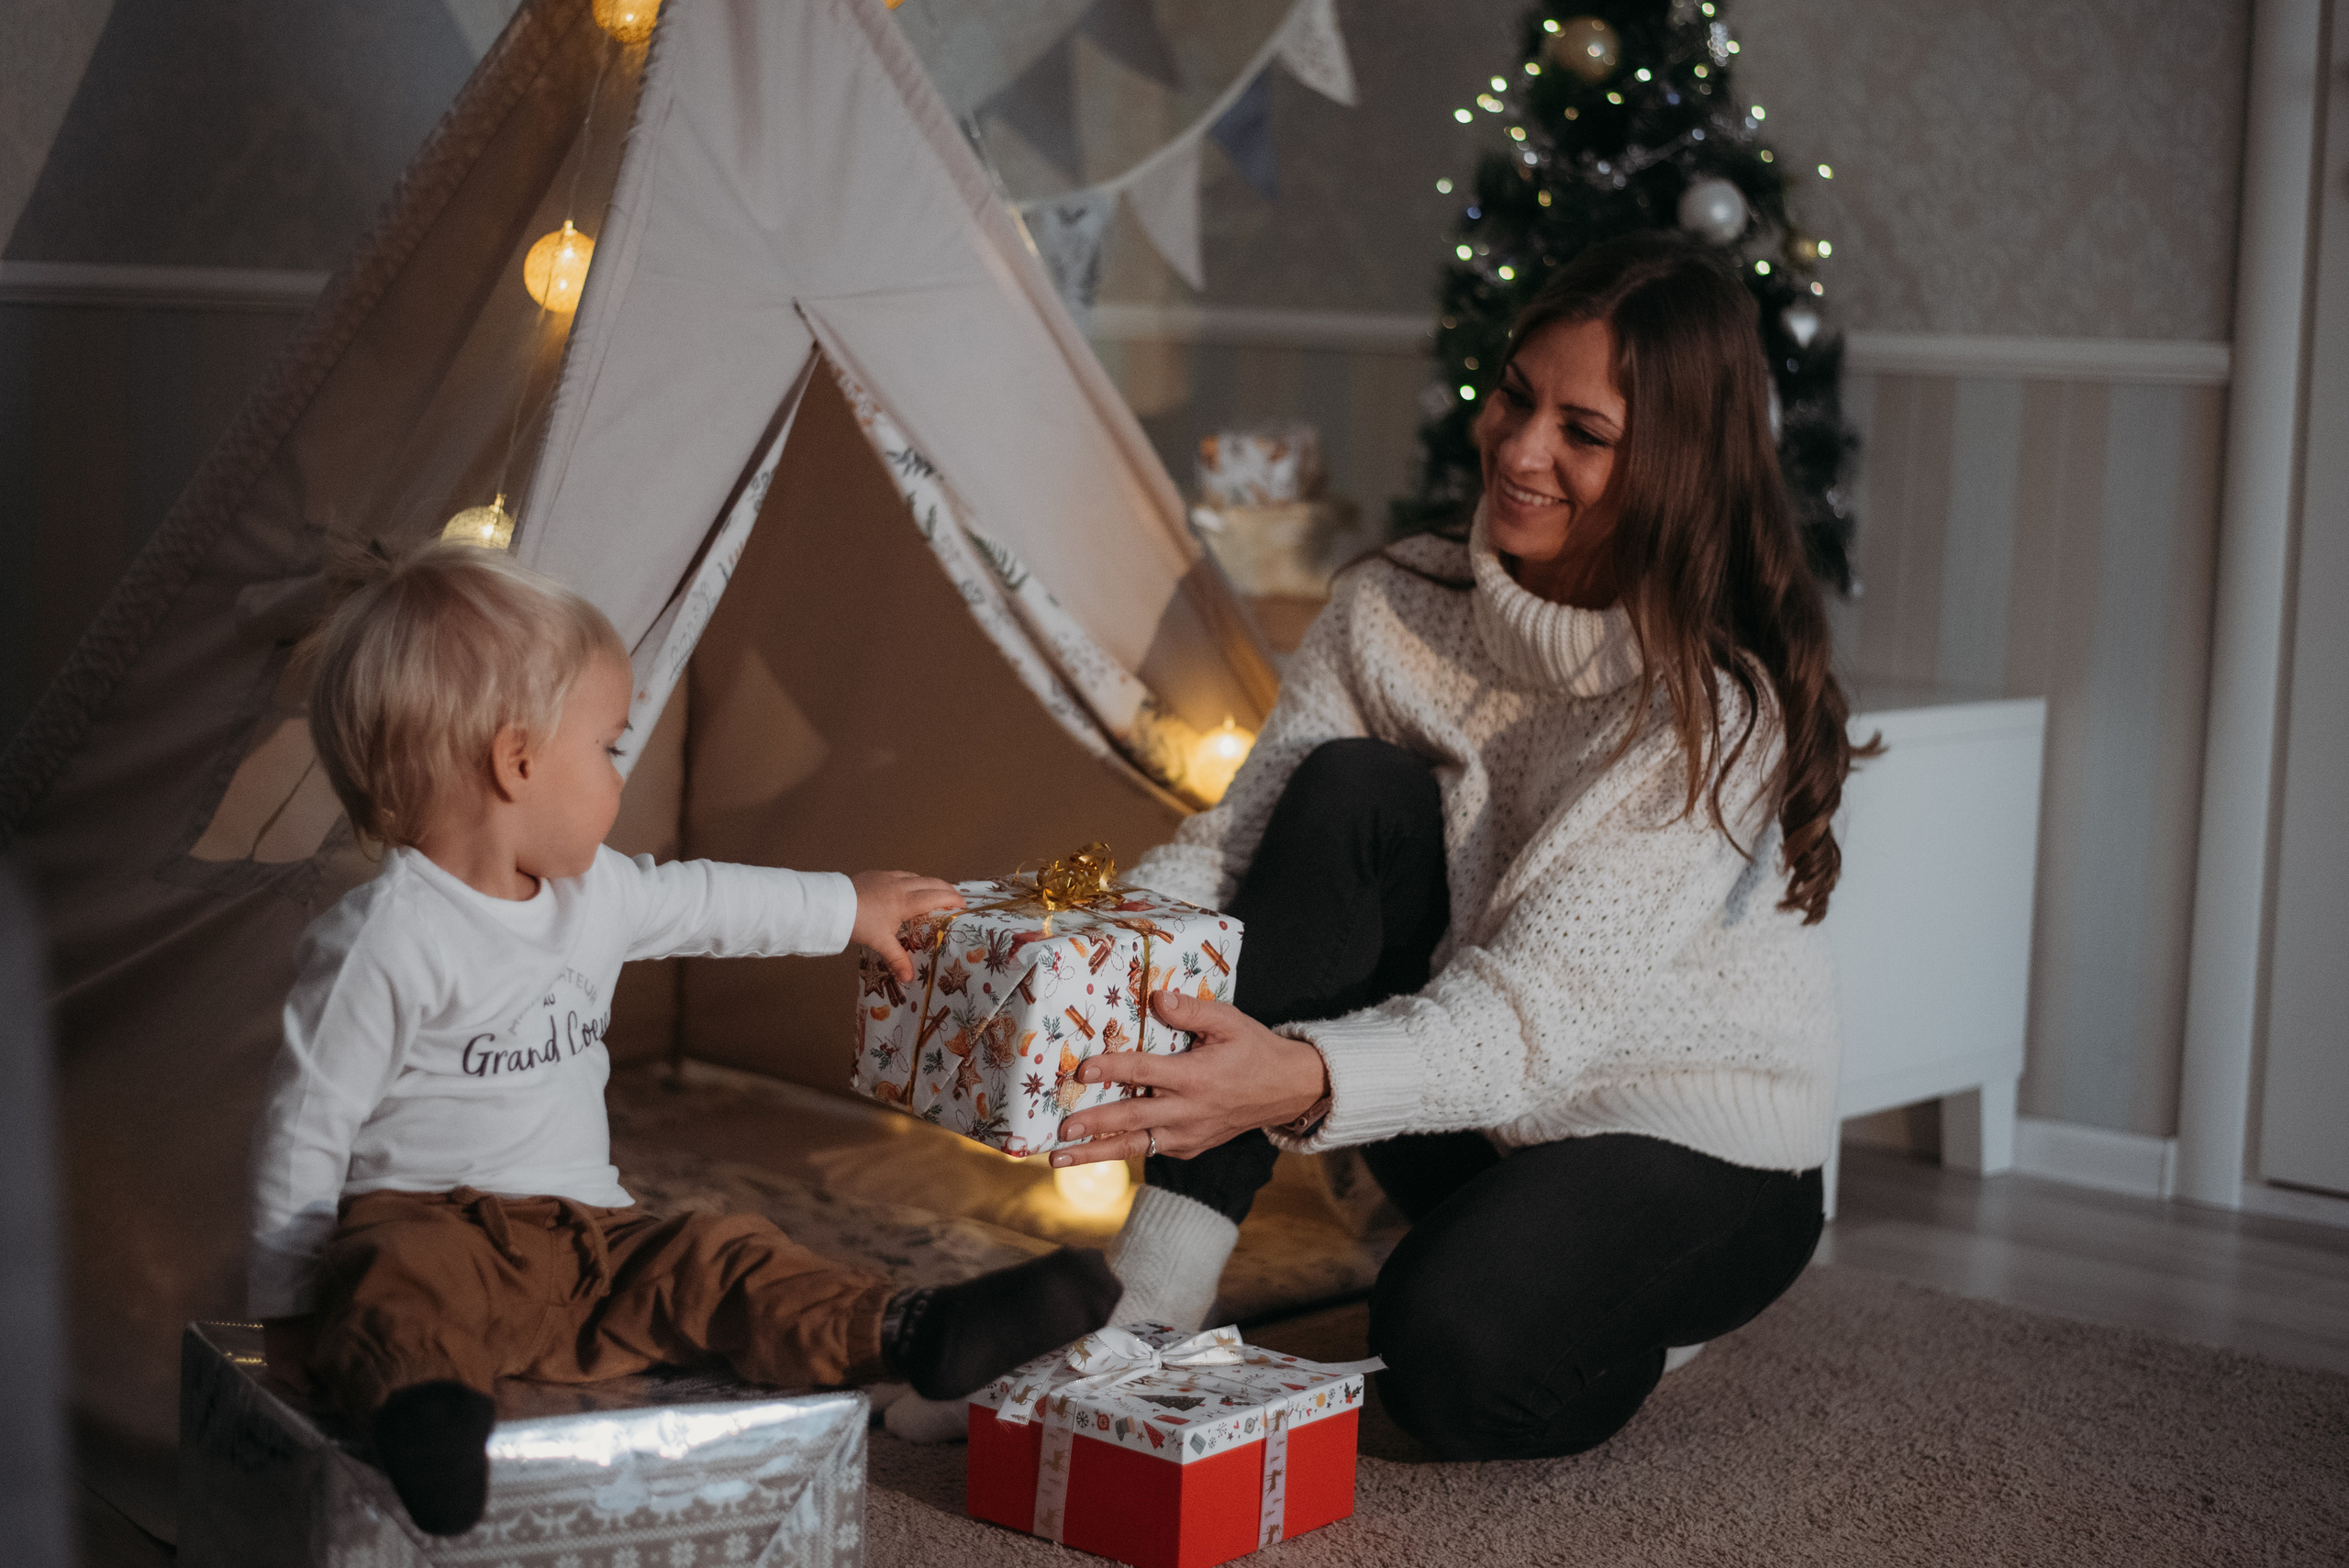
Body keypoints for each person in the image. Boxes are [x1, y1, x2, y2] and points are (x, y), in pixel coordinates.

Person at [1058, 233, 1864, 1462]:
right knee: (1350, 789)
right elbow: (1240, 849)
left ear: (1674, 464)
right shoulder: (1395, 604)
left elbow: (1531, 1024)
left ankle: (1628, 1305)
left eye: (1582, 433)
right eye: (1515, 396)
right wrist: (1078, 963)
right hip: (1489, 1108)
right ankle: (1152, 1297)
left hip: (1696, 1141)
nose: (1521, 448)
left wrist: (1297, 1076)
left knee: (1455, 1354)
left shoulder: (1711, 713)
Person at [250, 543, 1119, 1535]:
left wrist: (847, 905)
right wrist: (285, 1309)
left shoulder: (595, 891)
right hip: (436, 1225)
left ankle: (913, 1329)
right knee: (393, 1281)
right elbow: (305, 1124)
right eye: (609, 747)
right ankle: (426, 1418)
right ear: (517, 760)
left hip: (589, 1238)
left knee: (718, 1250)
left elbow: (711, 901)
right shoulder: (389, 936)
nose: (618, 771)